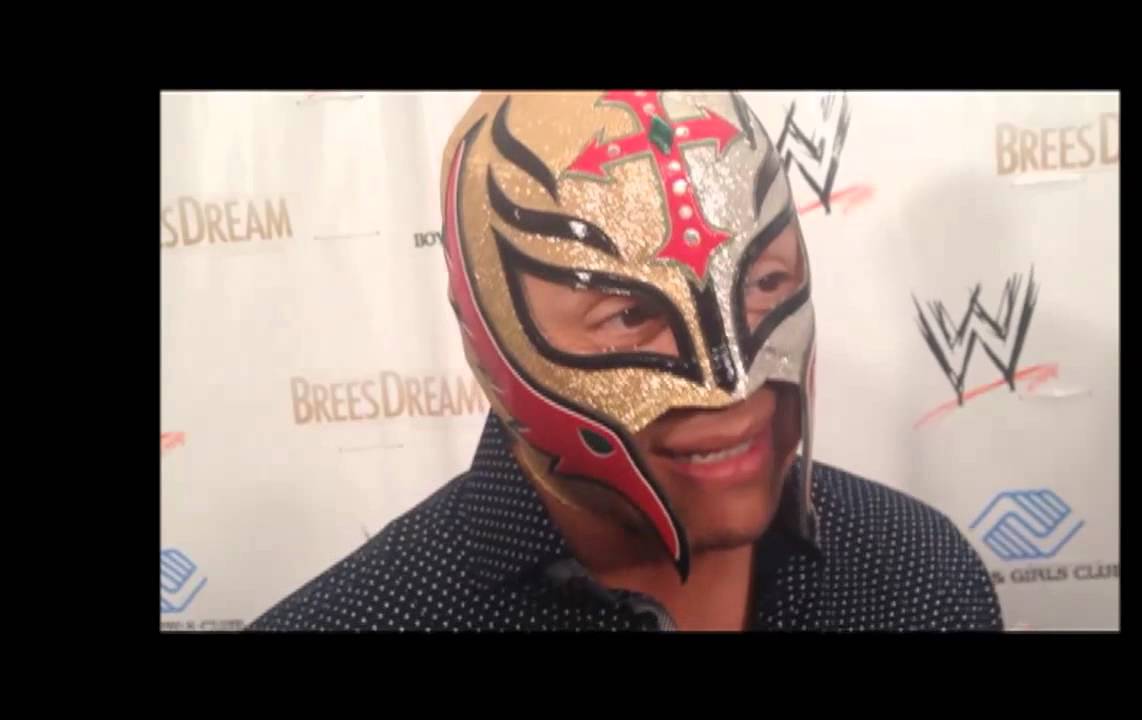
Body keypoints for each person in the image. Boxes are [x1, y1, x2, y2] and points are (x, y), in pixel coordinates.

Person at [248, 91, 1003, 632]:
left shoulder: (922, 573)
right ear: (482, 335)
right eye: (630, 315)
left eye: (764, 284)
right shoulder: (366, 617)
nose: (730, 380)